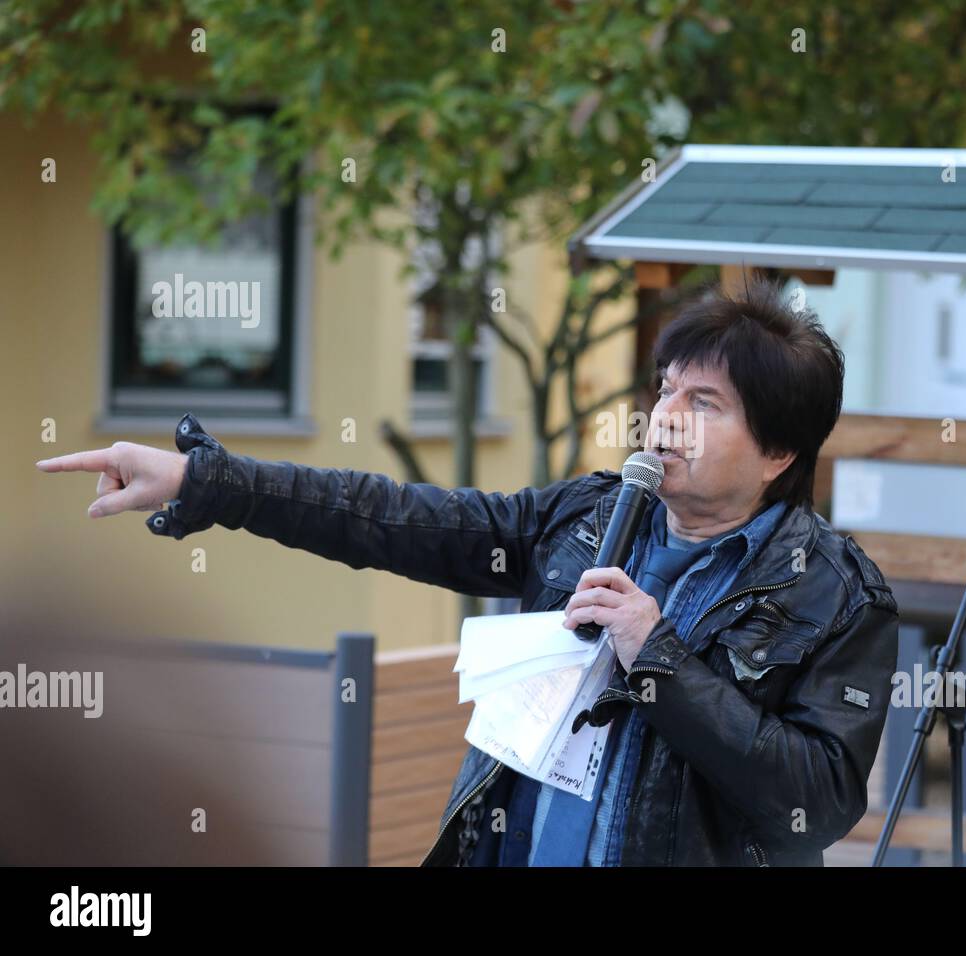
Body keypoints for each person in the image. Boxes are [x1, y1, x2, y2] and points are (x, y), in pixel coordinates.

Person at [36, 277, 899, 866]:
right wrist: (208, 482)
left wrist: (658, 655)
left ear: (780, 451)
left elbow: (817, 802)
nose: (663, 418)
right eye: (665, 389)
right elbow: (395, 520)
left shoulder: (833, 595)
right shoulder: (589, 519)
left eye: (701, 404)